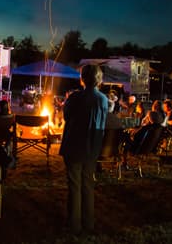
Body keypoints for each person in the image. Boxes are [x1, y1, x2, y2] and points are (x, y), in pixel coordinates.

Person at [59, 64, 108, 235]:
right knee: (87, 184)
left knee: (75, 184)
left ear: (83, 78)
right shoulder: (103, 99)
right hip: (92, 147)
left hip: (74, 145)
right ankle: (88, 222)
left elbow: (66, 117)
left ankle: (74, 224)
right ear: (99, 79)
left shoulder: (74, 97)